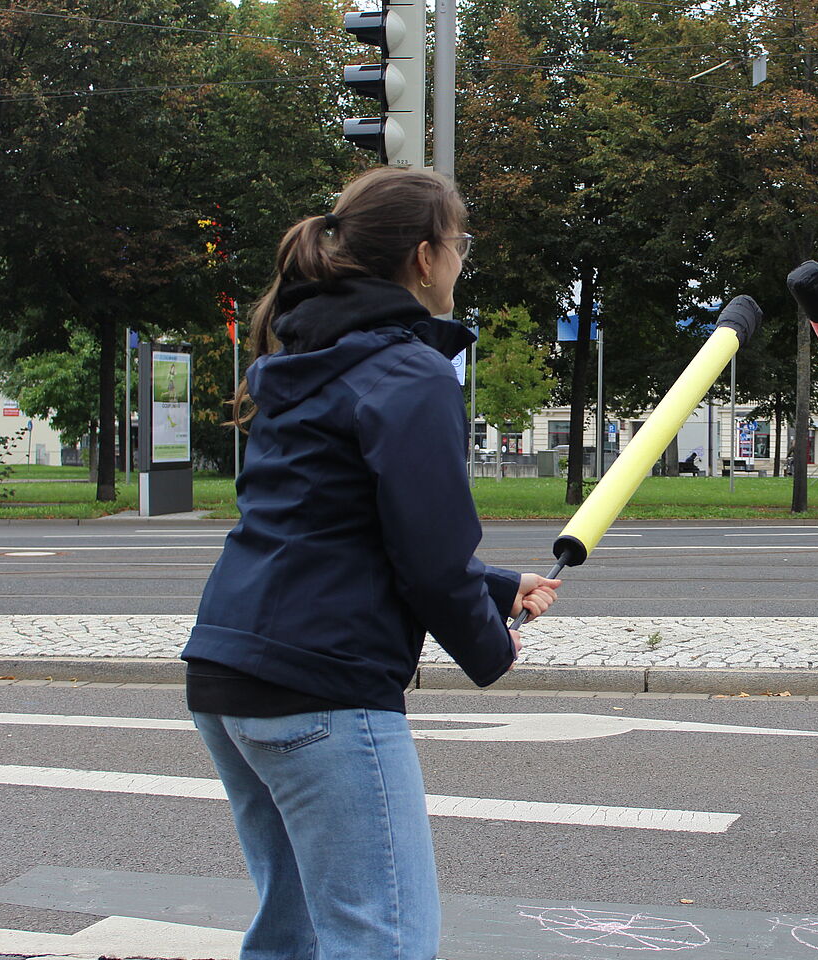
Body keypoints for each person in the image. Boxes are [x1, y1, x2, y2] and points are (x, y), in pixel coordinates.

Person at [182, 167, 561, 960]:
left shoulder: (302, 354)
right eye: (460, 245)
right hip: (321, 683)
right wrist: (490, 645)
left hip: (227, 666)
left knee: (295, 935)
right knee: (382, 941)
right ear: (425, 257)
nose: (462, 261)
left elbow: (334, 521)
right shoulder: (408, 370)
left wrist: (494, 588)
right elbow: (425, 557)